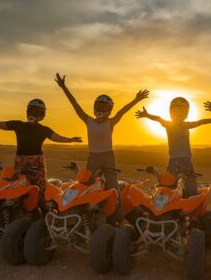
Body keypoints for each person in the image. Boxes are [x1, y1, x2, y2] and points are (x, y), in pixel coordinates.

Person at [54, 73, 149, 224]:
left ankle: (117, 218)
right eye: (99, 106)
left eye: (103, 107)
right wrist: (64, 88)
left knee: (113, 187)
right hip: (93, 157)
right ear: (94, 108)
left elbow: (123, 111)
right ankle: (84, 217)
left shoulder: (110, 122)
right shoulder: (88, 120)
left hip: (108, 157)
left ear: (109, 110)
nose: (100, 109)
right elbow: (75, 105)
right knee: (85, 186)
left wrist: (136, 100)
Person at [0, 94, 82, 199]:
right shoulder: (18, 125)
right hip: (20, 163)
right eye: (31, 110)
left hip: (36, 164)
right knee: (14, 190)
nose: (33, 114)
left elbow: (57, 138)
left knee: (40, 193)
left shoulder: (43, 129)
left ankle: (41, 213)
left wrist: (70, 140)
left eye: (36, 111)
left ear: (42, 115)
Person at [136, 97, 211, 197]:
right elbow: (158, 118)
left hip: (186, 160)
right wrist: (147, 115)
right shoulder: (169, 125)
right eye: (176, 111)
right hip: (174, 160)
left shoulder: (186, 125)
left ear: (185, 113)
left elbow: (200, 122)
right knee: (170, 188)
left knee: (190, 188)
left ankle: (189, 207)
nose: (178, 114)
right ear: (171, 112)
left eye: (181, 111)